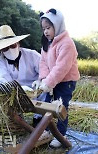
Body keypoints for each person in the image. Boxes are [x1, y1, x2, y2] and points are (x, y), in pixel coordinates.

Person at [32, 8, 80, 148]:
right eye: (43, 28)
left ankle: (61, 134)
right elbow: (43, 62)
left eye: (48, 27)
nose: (45, 31)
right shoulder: (47, 43)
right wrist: (44, 78)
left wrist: (49, 82)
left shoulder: (67, 43)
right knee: (47, 106)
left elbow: (62, 68)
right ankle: (46, 130)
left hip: (66, 81)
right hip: (52, 81)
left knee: (60, 107)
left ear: (57, 25)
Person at [0, 25, 41, 91]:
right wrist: (18, 89)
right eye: (5, 48)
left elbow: (45, 70)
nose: (10, 50)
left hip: (39, 93)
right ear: (1, 50)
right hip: (15, 95)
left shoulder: (32, 55)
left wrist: (40, 80)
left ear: (18, 44)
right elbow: (2, 83)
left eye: (12, 45)